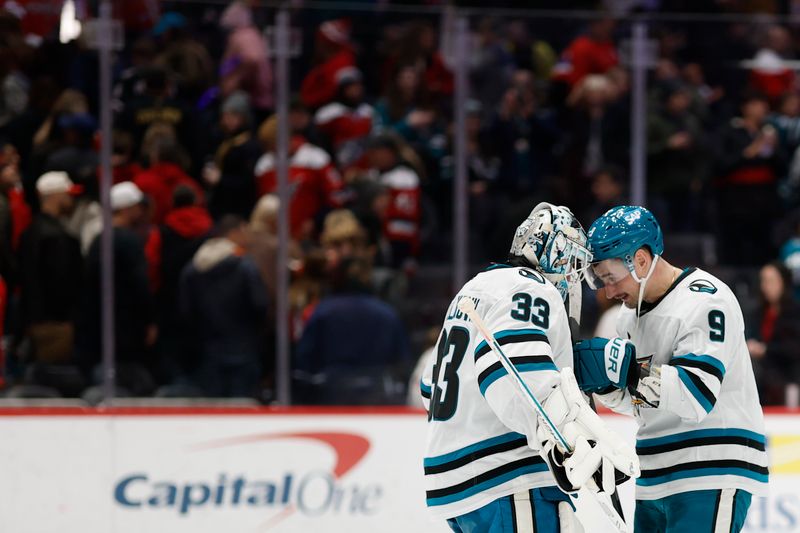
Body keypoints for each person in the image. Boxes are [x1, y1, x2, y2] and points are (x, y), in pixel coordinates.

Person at [421, 202, 638, 532]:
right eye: (573, 264)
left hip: (459, 484)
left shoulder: (475, 287)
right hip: (505, 478)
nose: (573, 277)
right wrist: (569, 443)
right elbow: (514, 372)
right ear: (557, 253)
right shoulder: (531, 287)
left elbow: (429, 385)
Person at [573, 205, 769, 533]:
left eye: (610, 277)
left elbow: (696, 396)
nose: (608, 291)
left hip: (710, 466)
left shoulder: (706, 301)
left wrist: (629, 372)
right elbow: (640, 405)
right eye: (601, 280)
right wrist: (607, 385)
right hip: (656, 472)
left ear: (640, 260)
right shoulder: (627, 317)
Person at [746, 261, 800, 405]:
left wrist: (765, 349)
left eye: (770, 281)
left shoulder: (795, 312)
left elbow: (794, 348)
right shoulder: (759, 312)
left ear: (783, 282)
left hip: (788, 371)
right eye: (763, 281)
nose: (765, 286)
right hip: (764, 371)